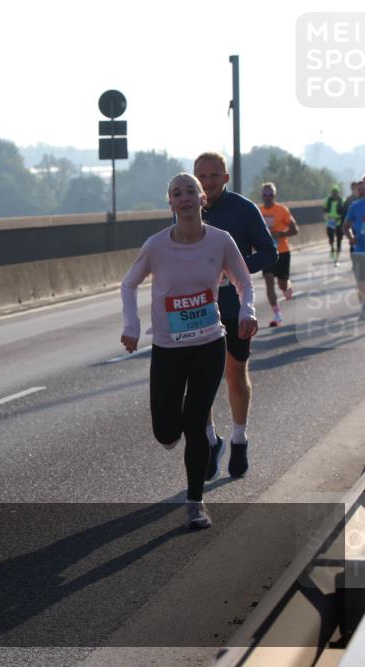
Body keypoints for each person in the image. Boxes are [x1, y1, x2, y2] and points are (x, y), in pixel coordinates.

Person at [121, 173, 257, 529]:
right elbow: (128, 283)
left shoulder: (220, 241)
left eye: (190, 192)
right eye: (176, 193)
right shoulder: (156, 246)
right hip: (168, 347)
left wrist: (247, 311)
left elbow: (244, 282)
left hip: (209, 343)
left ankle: (195, 501)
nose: (184, 198)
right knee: (166, 432)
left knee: (196, 426)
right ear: (170, 203)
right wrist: (132, 327)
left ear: (202, 199)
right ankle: (184, 417)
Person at [193, 152, 276, 481]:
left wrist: (235, 270)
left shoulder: (243, 209)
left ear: (225, 178)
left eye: (215, 175)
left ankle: (239, 438)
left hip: (233, 306)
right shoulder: (187, 207)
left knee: (234, 373)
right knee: (200, 381)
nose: (208, 182)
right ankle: (211, 441)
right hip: (197, 308)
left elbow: (269, 252)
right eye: (202, 176)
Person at [259, 182, 299, 327]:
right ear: (261, 195)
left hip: (282, 252)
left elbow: (295, 229)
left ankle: (287, 287)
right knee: (268, 280)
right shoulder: (257, 210)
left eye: (270, 194)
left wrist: (281, 233)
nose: (267, 197)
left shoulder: (282, 210)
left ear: (274, 195)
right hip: (266, 252)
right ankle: (277, 315)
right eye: (265, 194)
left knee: (281, 284)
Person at [343, 180, 365, 321]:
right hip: (360, 249)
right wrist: (351, 237)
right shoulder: (355, 206)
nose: (361, 190)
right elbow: (346, 226)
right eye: (360, 188)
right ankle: (364, 306)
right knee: (361, 282)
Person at [324, 185, 345, 265]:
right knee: (331, 238)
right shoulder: (327, 200)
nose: (334, 194)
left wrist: (341, 219)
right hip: (330, 221)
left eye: (336, 192)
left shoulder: (342, 200)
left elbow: (344, 211)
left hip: (339, 222)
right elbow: (324, 211)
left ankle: (337, 258)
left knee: (339, 239)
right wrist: (327, 219)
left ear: (338, 193)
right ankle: (332, 248)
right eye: (333, 192)